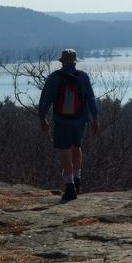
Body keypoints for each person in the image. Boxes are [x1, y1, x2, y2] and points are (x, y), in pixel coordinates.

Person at [39, 49, 99, 201]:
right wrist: (95, 118)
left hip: (61, 120)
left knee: (65, 151)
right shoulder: (83, 76)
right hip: (80, 120)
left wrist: (42, 117)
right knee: (76, 147)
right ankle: (77, 180)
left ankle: (70, 186)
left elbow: (45, 98)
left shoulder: (54, 77)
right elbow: (91, 98)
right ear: (74, 62)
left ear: (62, 62)